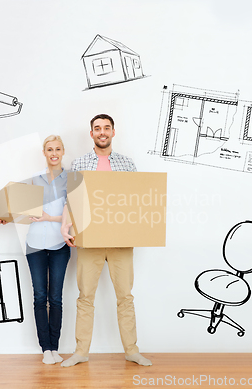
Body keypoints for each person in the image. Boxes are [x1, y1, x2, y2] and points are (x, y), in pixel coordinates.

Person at [60, 114, 152, 367]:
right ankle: (81, 352)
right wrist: (65, 225)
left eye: (106, 128)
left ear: (113, 132)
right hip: (89, 238)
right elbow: (72, 198)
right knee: (85, 295)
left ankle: (132, 351)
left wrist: (143, 228)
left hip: (121, 240)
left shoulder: (127, 163)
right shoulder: (79, 163)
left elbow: (138, 199)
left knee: (125, 296)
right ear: (91, 134)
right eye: (97, 128)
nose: (102, 132)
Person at [0, 135, 70, 365]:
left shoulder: (72, 180)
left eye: (57, 149)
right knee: (39, 296)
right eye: (49, 149)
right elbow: (22, 207)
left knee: (55, 297)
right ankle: (45, 348)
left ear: (63, 151)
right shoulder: (34, 180)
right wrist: (6, 218)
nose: (54, 153)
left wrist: (51, 217)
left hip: (60, 245)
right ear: (44, 153)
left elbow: (75, 213)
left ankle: (55, 347)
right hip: (35, 245)